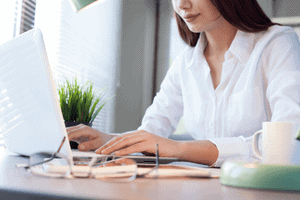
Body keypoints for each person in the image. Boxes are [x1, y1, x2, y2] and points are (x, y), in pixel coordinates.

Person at [67, 0, 300, 167]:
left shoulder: (276, 44)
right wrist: (108, 140)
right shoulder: (186, 62)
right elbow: (151, 131)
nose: (182, 5)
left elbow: (286, 145)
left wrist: (179, 149)